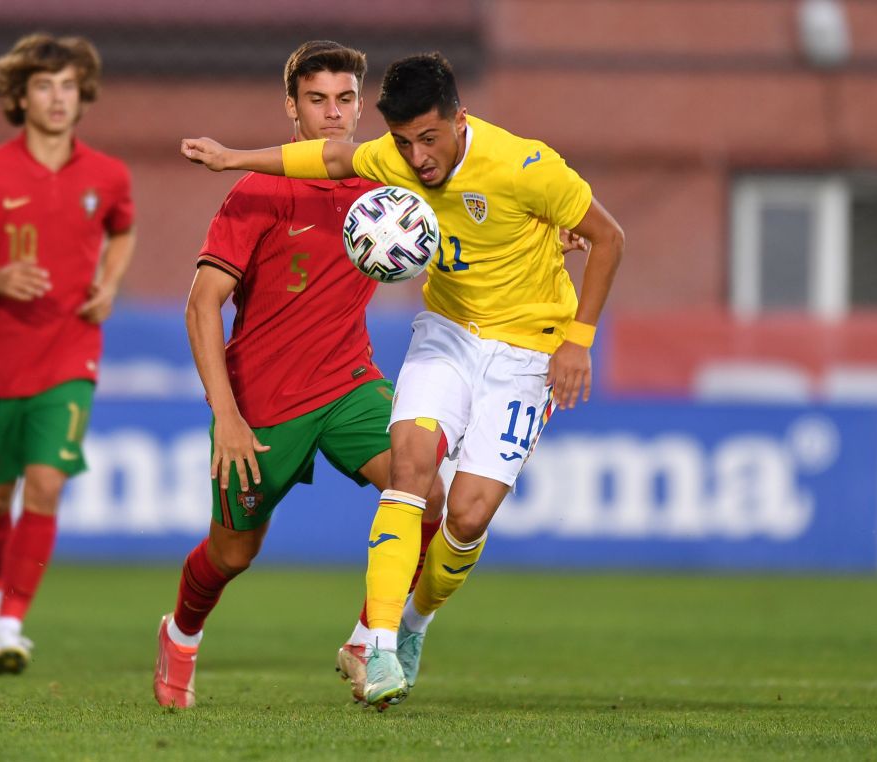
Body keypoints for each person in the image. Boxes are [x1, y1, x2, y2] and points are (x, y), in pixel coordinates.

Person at [180, 51, 625, 708]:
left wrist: (576, 333)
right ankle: (321, 640)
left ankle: (396, 631)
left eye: (428, 139)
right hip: (391, 355)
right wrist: (229, 156)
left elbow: (605, 235)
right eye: (404, 142)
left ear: (457, 120)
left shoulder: (523, 166)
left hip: (510, 355)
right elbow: (327, 163)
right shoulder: (377, 165)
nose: (417, 158)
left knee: (459, 509)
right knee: (280, 532)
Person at [152, 40, 449, 711]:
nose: (333, 114)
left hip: (348, 384)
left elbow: (473, 204)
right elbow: (202, 306)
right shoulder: (258, 191)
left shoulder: (386, 183)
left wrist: (556, 235)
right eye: (317, 100)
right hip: (261, 405)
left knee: (428, 489)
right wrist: (226, 417)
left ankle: (364, 639)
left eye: (346, 100)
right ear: (292, 108)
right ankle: (181, 632)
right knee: (232, 553)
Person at [0, 33, 135, 675]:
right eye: (44, 85)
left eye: (68, 86)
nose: (57, 98)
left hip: (72, 353)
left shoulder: (108, 175)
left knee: (46, 485)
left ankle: (11, 625)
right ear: (19, 96)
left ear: (83, 97)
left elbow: (122, 228)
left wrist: (109, 282)